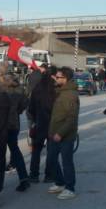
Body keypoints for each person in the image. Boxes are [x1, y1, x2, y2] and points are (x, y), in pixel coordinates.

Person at [47, 67, 80, 200]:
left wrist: (60, 133)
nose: (56, 78)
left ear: (65, 79)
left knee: (67, 162)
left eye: (59, 77)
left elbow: (72, 118)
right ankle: (60, 182)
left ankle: (70, 188)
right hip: (54, 133)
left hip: (65, 135)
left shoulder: (71, 95)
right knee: (51, 160)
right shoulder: (61, 91)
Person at [0, 67, 30, 191]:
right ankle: (24, 179)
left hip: (0, 124)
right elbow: (24, 105)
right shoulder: (20, 90)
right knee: (15, 151)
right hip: (14, 124)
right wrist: (16, 111)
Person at [28, 71, 56, 183]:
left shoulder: (36, 90)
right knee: (51, 150)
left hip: (39, 123)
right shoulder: (54, 91)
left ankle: (34, 175)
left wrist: (35, 119)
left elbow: (30, 108)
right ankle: (48, 175)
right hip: (52, 124)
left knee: (36, 151)